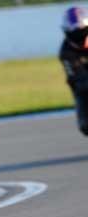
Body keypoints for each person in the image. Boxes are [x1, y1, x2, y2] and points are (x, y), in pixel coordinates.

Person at [60, 6, 88, 136]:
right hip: (84, 91)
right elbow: (78, 81)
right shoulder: (66, 52)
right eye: (76, 34)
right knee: (85, 125)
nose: (80, 38)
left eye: (83, 32)